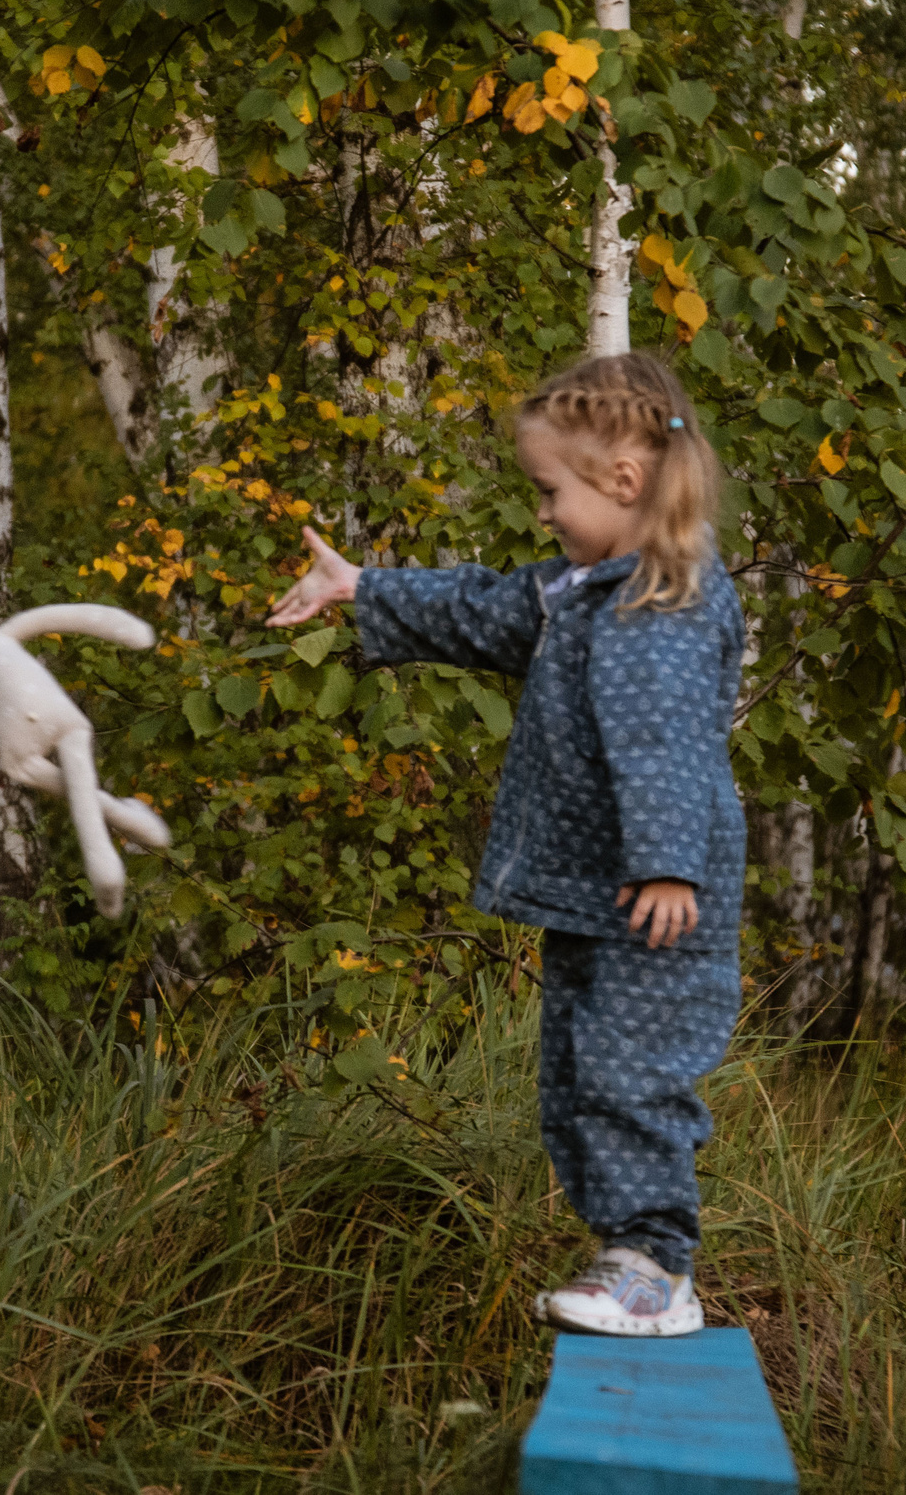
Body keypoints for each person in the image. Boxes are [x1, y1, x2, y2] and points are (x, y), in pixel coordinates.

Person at [270, 349, 745, 1338]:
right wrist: (363, 586)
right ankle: (624, 1252)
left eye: (549, 493)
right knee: (578, 1073)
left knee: (630, 1075)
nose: (542, 516)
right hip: (598, 896)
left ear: (623, 481)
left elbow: (662, 744)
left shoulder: (662, 605)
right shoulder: (589, 587)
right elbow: (484, 605)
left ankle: (656, 1266)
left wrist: (664, 864)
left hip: (654, 899)